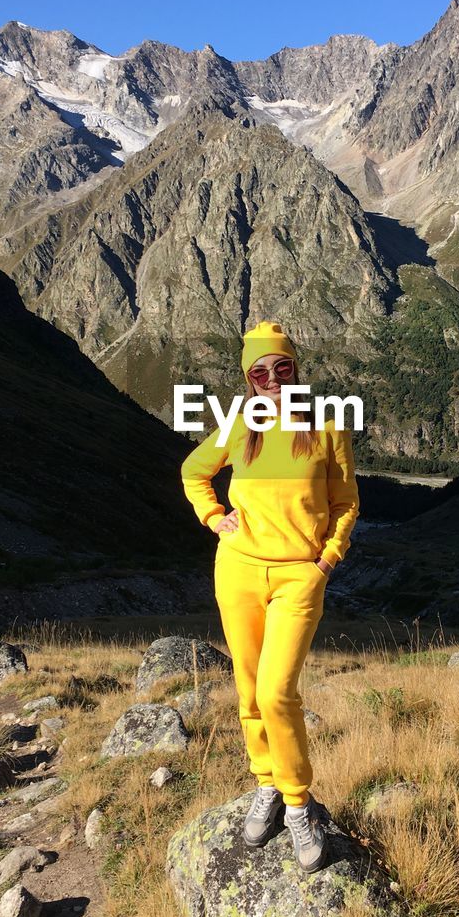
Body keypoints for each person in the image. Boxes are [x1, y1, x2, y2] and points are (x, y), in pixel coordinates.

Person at [180, 320, 360, 874]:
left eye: (283, 367)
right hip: (236, 572)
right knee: (248, 692)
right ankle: (266, 783)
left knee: (278, 691)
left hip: (297, 580)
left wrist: (325, 563)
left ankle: (298, 802)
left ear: (297, 370)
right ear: (249, 380)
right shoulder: (240, 424)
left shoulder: (328, 425)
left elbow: (347, 503)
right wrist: (216, 518)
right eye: (260, 372)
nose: (273, 379)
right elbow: (193, 472)